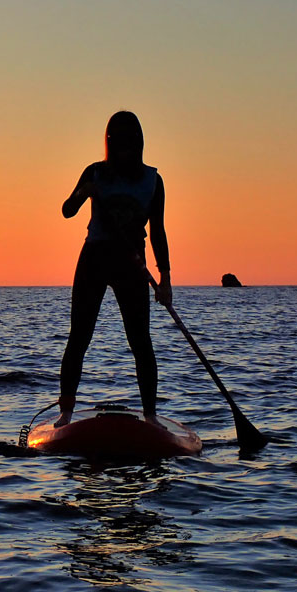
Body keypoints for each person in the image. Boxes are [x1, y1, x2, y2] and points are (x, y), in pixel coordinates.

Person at [56, 110, 172, 428]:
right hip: (95, 258)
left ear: (139, 144)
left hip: (132, 263)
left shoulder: (153, 181)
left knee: (141, 342)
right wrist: (84, 192)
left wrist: (165, 278)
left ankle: (150, 416)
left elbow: (158, 231)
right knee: (79, 337)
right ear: (109, 144)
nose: (124, 149)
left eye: (129, 143)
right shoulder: (95, 172)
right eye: (118, 143)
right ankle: (65, 414)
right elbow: (67, 210)